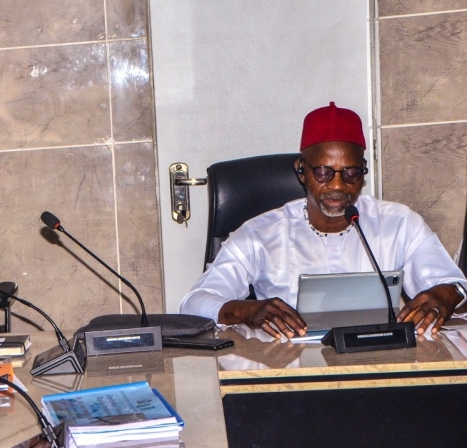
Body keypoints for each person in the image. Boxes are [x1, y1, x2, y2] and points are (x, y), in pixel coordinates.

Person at [180, 102, 467, 338]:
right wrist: (246, 311)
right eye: (324, 173)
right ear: (301, 171)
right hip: (289, 373)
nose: (339, 185)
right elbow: (193, 304)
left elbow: (455, 287)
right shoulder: (260, 233)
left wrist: (447, 294)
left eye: (351, 172)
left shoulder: (399, 223)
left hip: (380, 361)